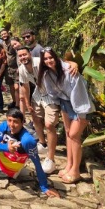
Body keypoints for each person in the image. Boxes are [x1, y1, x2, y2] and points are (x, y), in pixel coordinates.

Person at [17, 46, 79, 175]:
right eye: (20, 56)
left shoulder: (40, 61)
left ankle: (50, 159)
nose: (23, 57)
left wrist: (74, 64)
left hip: (52, 95)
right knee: (35, 119)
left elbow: (58, 62)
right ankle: (43, 143)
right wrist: (27, 104)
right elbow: (25, 86)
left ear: (30, 54)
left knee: (49, 124)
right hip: (38, 93)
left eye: (24, 54)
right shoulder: (22, 69)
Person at [37, 47, 94, 184]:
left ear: (56, 57)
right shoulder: (47, 74)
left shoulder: (69, 70)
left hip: (80, 104)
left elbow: (79, 92)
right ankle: (69, 165)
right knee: (68, 133)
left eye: (51, 57)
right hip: (65, 103)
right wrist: (59, 104)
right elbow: (52, 92)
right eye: (45, 59)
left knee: (74, 135)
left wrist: (80, 112)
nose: (49, 60)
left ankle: (75, 171)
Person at [1, 30, 19, 109]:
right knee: (11, 86)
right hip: (8, 69)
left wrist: (20, 66)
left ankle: (18, 104)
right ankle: (14, 102)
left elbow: (18, 53)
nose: (4, 35)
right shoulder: (3, 44)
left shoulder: (13, 43)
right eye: (2, 34)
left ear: (8, 34)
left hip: (16, 68)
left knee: (17, 87)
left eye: (5, 34)